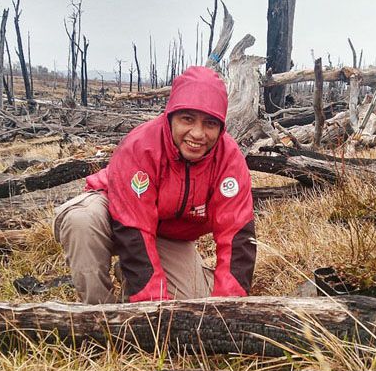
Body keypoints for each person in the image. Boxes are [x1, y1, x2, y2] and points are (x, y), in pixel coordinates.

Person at [53, 66, 256, 304]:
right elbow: (133, 229)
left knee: (188, 303)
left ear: (221, 128)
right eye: (187, 119)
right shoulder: (141, 146)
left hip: (166, 232)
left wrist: (227, 311)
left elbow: (237, 236)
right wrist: (153, 313)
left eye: (210, 123)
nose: (198, 133)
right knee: (82, 221)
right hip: (114, 211)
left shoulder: (229, 159)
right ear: (170, 116)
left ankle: (128, 276)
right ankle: (101, 318)